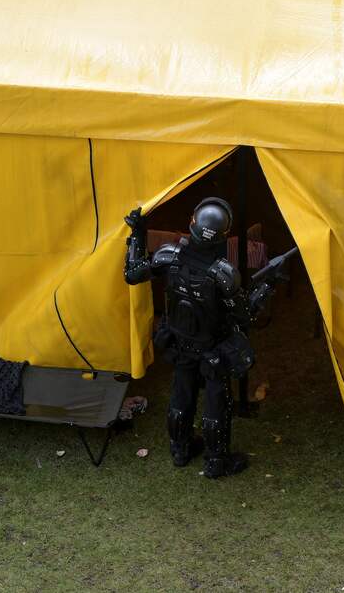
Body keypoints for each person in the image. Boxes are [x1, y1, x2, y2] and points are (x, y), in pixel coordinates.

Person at [124, 198, 254, 478]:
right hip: (213, 349)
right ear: (223, 235)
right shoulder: (224, 275)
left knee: (181, 392)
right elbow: (243, 316)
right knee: (216, 400)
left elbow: (132, 274)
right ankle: (216, 461)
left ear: (191, 224)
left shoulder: (168, 256)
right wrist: (259, 296)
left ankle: (180, 450)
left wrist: (137, 234)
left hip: (181, 342)